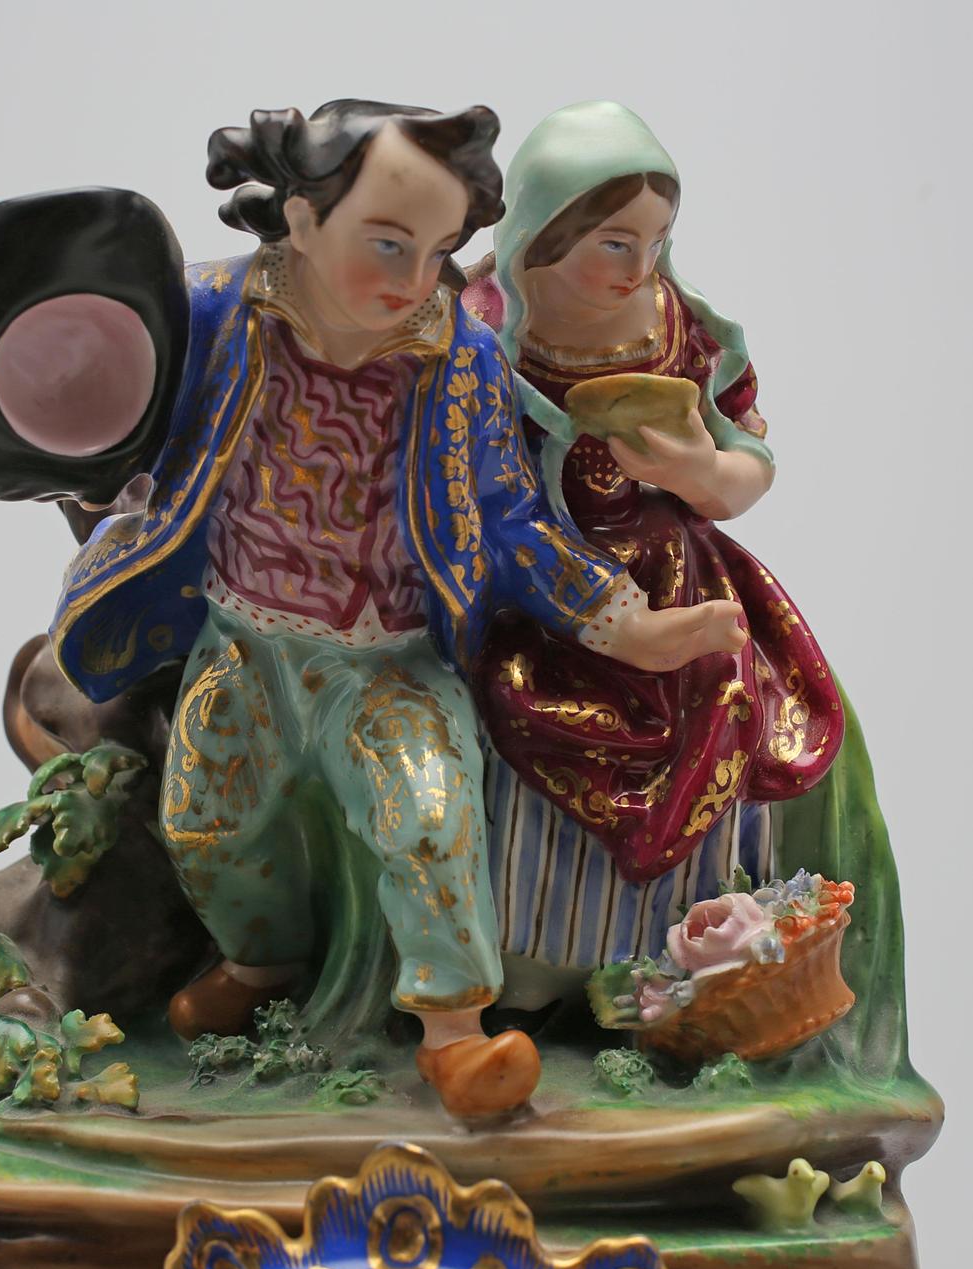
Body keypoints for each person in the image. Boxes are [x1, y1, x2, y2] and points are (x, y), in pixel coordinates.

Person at [47, 100, 745, 1116]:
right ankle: (260, 961)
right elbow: (119, 410)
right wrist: (71, 449)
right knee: (203, 821)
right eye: (386, 242)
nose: (413, 276)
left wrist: (621, 621)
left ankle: (455, 1036)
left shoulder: (458, 357)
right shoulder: (213, 314)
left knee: (427, 818)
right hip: (243, 639)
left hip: (389, 657)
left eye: (435, 249)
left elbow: (509, 517)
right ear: (300, 216)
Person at [461, 101, 844, 985]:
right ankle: (524, 965)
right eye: (612, 242)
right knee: (508, 706)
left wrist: (697, 471)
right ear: (542, 230)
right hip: (523, 582)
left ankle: (680, 958)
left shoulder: (679, 327)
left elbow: (748, 465)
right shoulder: (475, 332)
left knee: (719, 693)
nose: (639, 266)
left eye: (655, 240)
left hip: (670, 566)